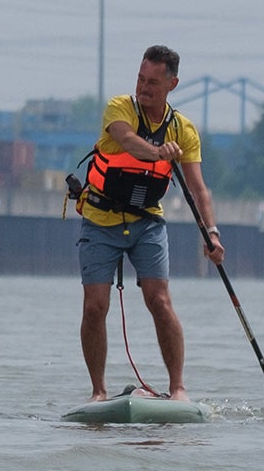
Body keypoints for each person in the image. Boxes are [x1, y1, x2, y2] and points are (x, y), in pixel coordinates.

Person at [70, 43, 224, 402]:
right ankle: (98, 392)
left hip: (147, 224)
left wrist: (212, 234)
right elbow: (126, 140)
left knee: (159, 300)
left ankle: (178, 389)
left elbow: (200, 190)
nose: (144, 87)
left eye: (153, 82)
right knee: (95, 306)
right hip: (100, 219)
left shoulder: (183, 130)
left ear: (172, 84)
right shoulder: (120, 108)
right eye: (141, 78)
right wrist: (157, 152)